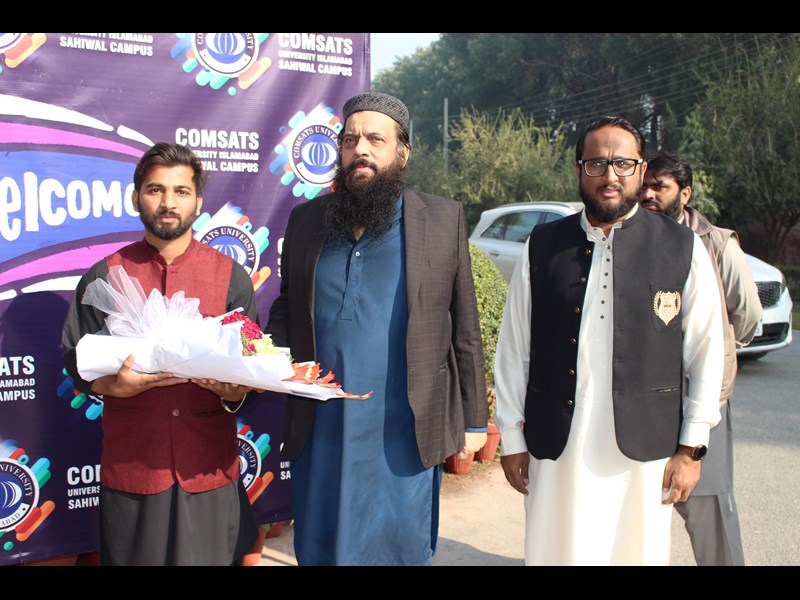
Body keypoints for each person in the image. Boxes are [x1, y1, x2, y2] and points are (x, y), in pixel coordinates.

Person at [265, 92, 487, 566]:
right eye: (349, 140)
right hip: (322, 427)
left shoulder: (441, 218)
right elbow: (287, 305)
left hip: (402, 429)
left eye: (374, 139)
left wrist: (474, 420)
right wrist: (265, 356)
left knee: (396, 548)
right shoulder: (306, 220)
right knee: (322, 546)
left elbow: (465, 326)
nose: (360, 149)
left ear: (402, 152)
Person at [494, 116, 725, 566]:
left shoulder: (681, 246)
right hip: (557, 449)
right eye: (596, 163)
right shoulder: (543, 244)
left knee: (635, 553)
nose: (610, 175)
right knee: (556, 552)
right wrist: (511, 439)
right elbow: (514, 348)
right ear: (579, 170)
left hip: (644, 454)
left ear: (641, 170)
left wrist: (691, 448)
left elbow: (705, 352)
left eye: (623, 163)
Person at [62, 142, 260, 566]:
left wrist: (233, 393)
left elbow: (252, 366)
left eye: (181, 191)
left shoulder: (231, 277)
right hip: (134, 471)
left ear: (198, 202)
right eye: (156, 190)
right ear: (136, 197)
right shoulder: (104, 276)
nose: (168, 202)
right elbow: (76, 361)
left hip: (208, 472)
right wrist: (115, 386)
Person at [640, 151, 762, 566]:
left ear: (685, 193)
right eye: (645, 185)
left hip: (701, 396)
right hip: (643, 397)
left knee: (708, 508)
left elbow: (747, 314)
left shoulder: (717, 243)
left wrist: (719, 353)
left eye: (660, 186)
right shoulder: (629, 237)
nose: (648, 193)